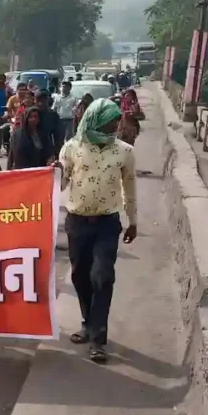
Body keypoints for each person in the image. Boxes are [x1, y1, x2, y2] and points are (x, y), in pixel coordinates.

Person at [58, 98, 138, 363]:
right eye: (111, 119)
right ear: (96, 119)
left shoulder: (124, 151)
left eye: (118, 119)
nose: (117, 124)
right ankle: (87, 321)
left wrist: (133, 220)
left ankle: (98, 338)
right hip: (77, 222)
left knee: (102, 277)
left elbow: (130, 187)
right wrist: (50, 175)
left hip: (106, 223)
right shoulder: (72, 148)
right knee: (80, 276)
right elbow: (61, 182)